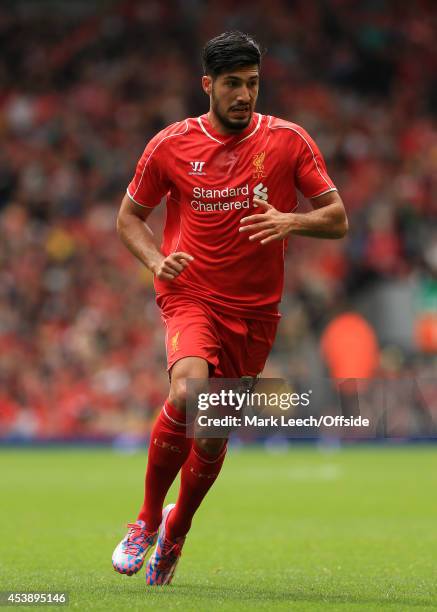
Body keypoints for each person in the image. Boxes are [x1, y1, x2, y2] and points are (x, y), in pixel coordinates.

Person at [112, 31, 348, 586]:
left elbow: (337, 217)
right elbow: (128, 219)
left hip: (255, 312)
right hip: (189, 291)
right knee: (186, 391)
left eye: (253, 83)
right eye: (233, 84)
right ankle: (146, 519)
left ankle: (176, 531)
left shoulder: (289, 142)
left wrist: (291, 221)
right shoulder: (169, 145)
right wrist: (154, 259)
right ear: (208, 86)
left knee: (213, 431)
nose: (245, 94)